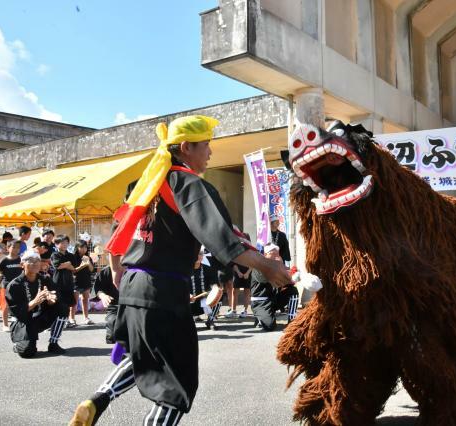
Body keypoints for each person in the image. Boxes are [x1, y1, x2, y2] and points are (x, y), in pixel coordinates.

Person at [69, 115, 291, 426]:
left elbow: (120, 232)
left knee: (145, 358)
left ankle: (97, 400)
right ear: (186, 147)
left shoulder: (143, 184)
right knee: (177, 385)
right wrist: (267, 266)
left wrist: (118, 271)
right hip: (163, 290)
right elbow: (224, 239)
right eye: (206, 146)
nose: (210, 153)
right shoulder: (188, 184)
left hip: (133, 286)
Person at [5, 251, 67, 357]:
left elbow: (54, 295)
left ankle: (53, 343)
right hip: (22, 321)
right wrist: (35, 301)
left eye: (37, 261)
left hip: (40, 317)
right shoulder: (14, 285)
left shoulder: (45, 279)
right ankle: (18, 343)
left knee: (62, 307)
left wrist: (51, 301)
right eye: (31, 261)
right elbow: (18, 312)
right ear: (22, 264)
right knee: (27, 352)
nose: (35, 263)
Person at [250, 243, 299, 331]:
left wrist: (294, 277)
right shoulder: (259, 266)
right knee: (270, 326)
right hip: (260, 302)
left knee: (293, 291)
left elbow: (285, 283)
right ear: (266, 254)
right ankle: (260, 317)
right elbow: (267, 279)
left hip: (273, 299)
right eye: (273, 254)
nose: (276, 256)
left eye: (277, 254)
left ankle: (292, 319)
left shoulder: (276, 266)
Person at [50, 235, 76, 327]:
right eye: (61, 243)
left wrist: (66, 264)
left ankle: (66, 320)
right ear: (56, 244)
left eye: (66, 242)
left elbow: (74, 268)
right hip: (58, 282)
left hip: (68, 282)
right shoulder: (55, 255)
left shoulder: (70, 255)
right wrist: (68, 264)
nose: (64, 244)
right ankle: (55, 321)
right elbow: (57, 266)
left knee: (68, 302)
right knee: (58, 302)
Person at [0, 240, 22, 332]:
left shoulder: (21, 259)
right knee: (5, 305)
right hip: (6, 285)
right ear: (8, 248)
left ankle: (19, 321)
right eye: (14, 247)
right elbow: (1, 273)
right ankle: (5, 324)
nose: (16, 249)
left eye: (18, 247)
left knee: (19, 304)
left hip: (18, 285)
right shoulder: (4, 260)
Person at [71, 240, 95, 325]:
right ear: (77, 247)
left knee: (85, 300)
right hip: (76, 281)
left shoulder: (88, 257)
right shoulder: (73, 257)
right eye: (81, 247)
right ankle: (72, 318)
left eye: (85, 247)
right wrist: (82, 266)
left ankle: (86, 318)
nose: (84, 249)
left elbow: (92, 270)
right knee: (74, 301)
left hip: (86, 280)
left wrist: (88, 263)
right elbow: (73, 271)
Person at [94, 265, 118, 344]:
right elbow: (98, 289)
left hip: (132, 306)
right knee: (111, 336)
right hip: (114, 305)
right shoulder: (106, 271)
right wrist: (103, 296)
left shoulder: (135, 268)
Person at [232, 232, 252, 318]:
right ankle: (233, 310)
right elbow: (233, 262)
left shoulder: (251, 250)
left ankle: (245, 310)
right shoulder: (236, 249)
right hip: (237, 272)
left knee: (247, 292)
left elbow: (253, 263)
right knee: (234, 291)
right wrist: (238, 272)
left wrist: (247, 273)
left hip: (247, 272)